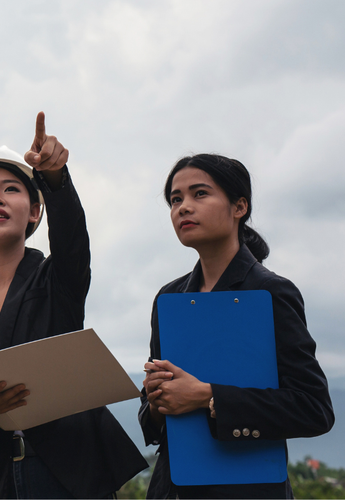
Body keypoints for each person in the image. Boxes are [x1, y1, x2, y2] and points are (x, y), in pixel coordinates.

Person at [0, 113, 147, 499]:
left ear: (34, 211)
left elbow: (72, 239)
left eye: (11, 189)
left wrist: (55, 179)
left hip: (68, 475)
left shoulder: (57, 281)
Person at [139, 154, 334, 498]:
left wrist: (208, 396)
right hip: (172, 489)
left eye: (200, 194)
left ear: (239, 206)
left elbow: (313, 408)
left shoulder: (271, 293)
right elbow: (154, 420)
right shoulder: (169, 298)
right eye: (175, 199)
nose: (184, 207)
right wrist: (156, 402)